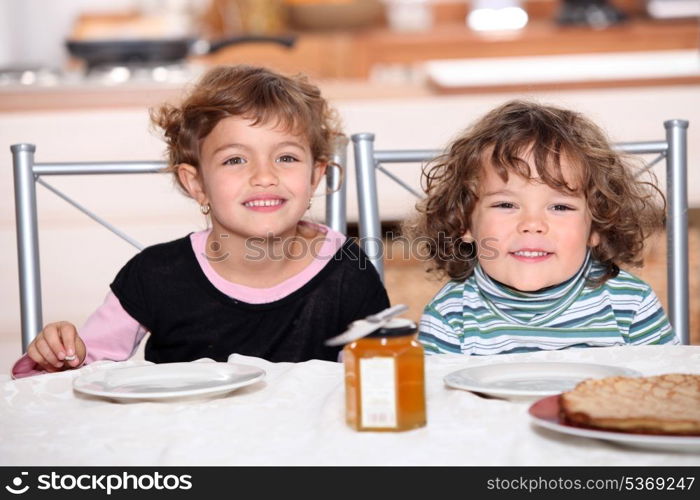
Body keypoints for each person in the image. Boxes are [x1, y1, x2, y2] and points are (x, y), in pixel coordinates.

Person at [13, 65, 389, 377]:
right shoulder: (154, 275)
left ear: (314, 177)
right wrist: (58, 356)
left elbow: (378, 384)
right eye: (235, 160)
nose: (264, 176)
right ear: (196, 184)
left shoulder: (348, 271)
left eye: (286, 157)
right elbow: (72, 379)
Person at [406, 100, 678, 355]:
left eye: (560, 207)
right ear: (465, 222)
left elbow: (671, 393)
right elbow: (437, 403)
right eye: (506, 205)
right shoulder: (450, 316)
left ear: (596, 227)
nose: (532, 225)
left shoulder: (629, 304)